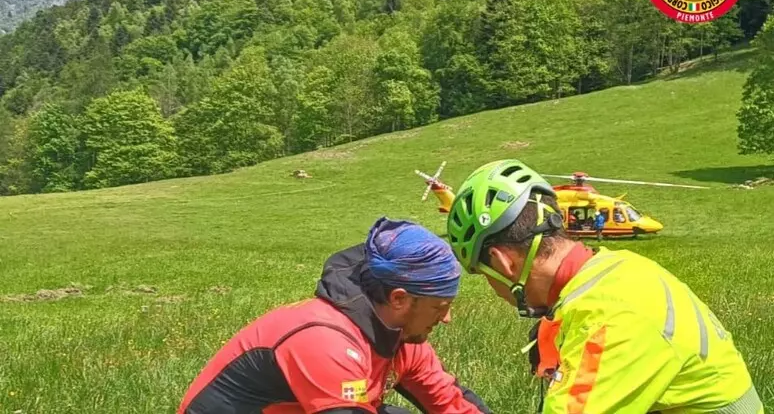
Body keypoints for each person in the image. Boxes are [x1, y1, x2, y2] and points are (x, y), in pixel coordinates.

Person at [445, 159, 762, 414]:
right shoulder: (619, 267)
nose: (493, 289)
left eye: (484, 274)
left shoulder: (606, 319)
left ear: (502, 263)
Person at [178, 216, 493, 414]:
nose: (447, 318)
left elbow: (449, 402)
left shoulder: (404, 338)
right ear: (399, 299)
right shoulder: (324, 338)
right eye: (439, 307)